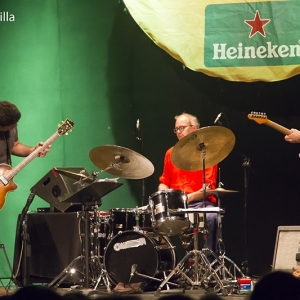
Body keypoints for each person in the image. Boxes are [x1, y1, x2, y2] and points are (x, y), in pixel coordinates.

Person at [158, 112, 218, 261]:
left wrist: (185, 199)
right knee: (150, 220)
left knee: (212, 216)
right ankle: (165, 268)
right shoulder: (170, 153)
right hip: (175, 205)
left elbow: (209, 187)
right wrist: (162, 197)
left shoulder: (207, 153)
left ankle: (210, 264)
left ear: (195, 128)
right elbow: (164, 181)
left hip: (199, 203)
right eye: (176, 129)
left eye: (182, 128)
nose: (178, 132)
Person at [0, 100, 50, 166]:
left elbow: (14, 146)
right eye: (12, 125)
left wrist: (34, 150)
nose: (16, 125)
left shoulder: (12, 125)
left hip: (5, 174)